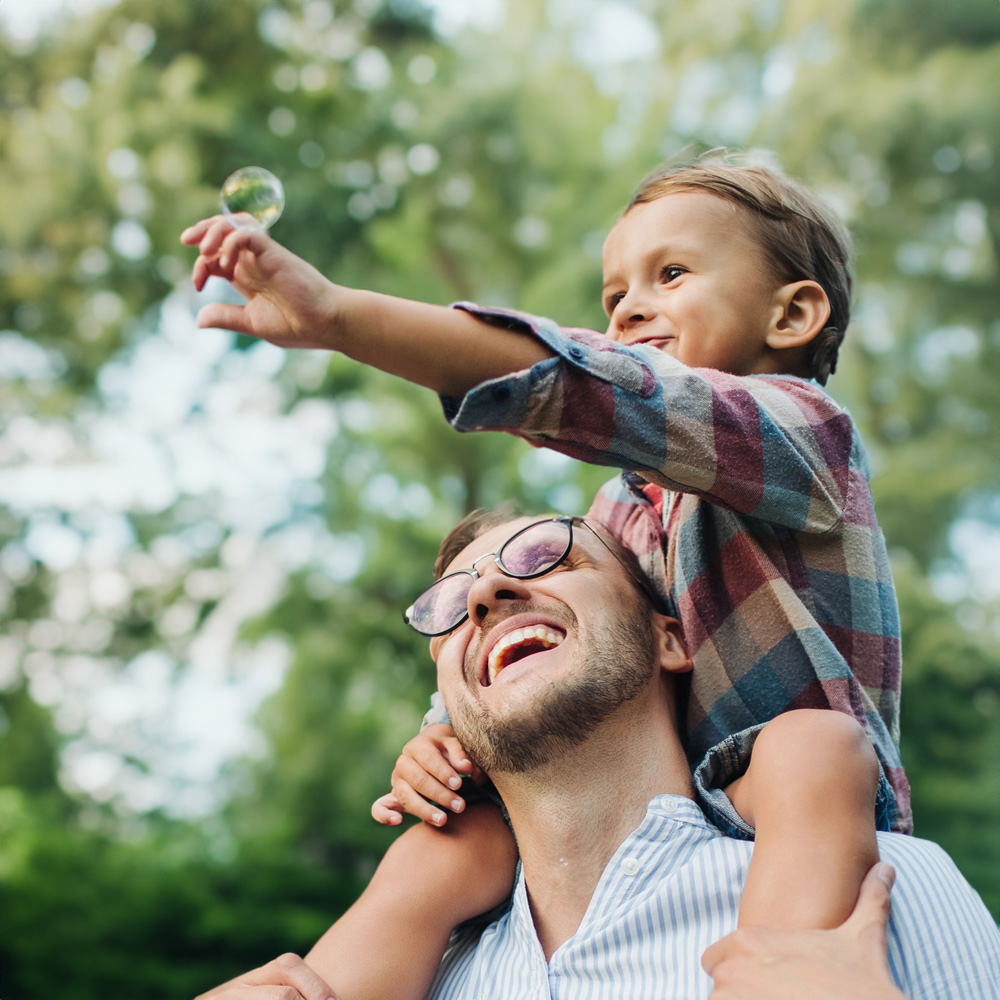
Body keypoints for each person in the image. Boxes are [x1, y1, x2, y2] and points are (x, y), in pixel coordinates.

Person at [182, 157, 905, 986]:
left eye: (669, 274)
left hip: (814, 805)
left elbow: (612, 394)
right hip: (679, 807)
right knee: (456, 839)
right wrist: (442, 741)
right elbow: (565, 635)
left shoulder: (805, 436)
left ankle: (786, 972)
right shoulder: (620, 516)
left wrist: (343, 317)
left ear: (793, 313)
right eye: (613, 296)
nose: (631, 306)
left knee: (810, 744)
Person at [196, 510, 1000, 1000]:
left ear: (670, 637)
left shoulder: (878, 896)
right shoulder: (405, 967)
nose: (483, 596)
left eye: (548, 554)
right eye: (449, 603)